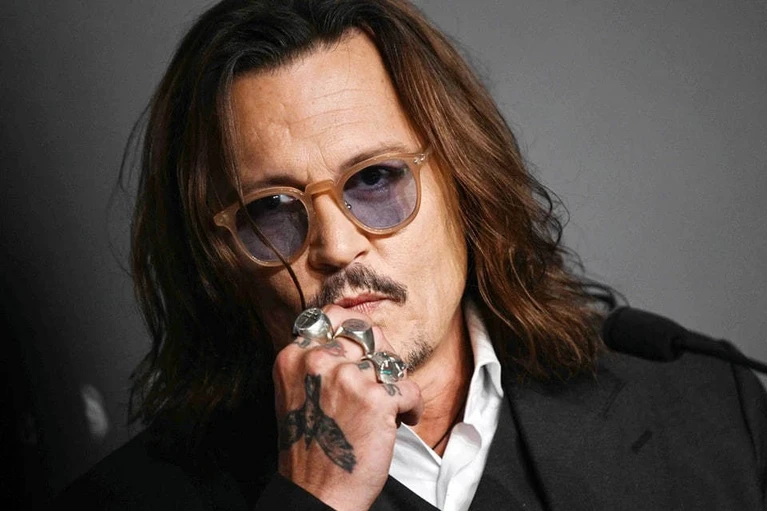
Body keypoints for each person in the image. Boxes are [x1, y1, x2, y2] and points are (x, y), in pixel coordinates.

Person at [56, 0, 766, 509]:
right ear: (218, 259)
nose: (337, 246)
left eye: (374, 179)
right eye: (270, 209)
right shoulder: (122, 498)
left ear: (465, 183)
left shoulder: (709, 405)